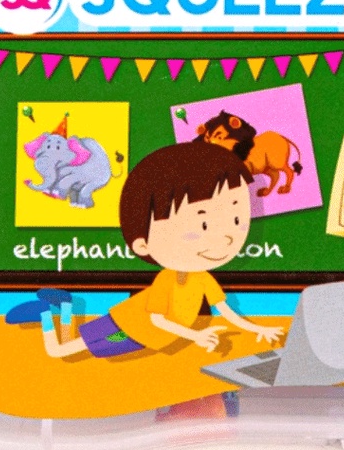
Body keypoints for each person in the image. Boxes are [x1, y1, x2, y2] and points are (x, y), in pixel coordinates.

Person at [39, 141, 282, 359]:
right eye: (204, 225)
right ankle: (44, 313)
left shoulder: (203, 278)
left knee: (69, 346)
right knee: (59, 351)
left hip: (139, 330)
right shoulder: (167, 279)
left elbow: (226, 311)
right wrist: (195, 335)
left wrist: (258, 328)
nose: (226, 237)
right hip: (130, 327)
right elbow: (158, 320)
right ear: (142, 243)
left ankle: (64, 307)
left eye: (237, 220)